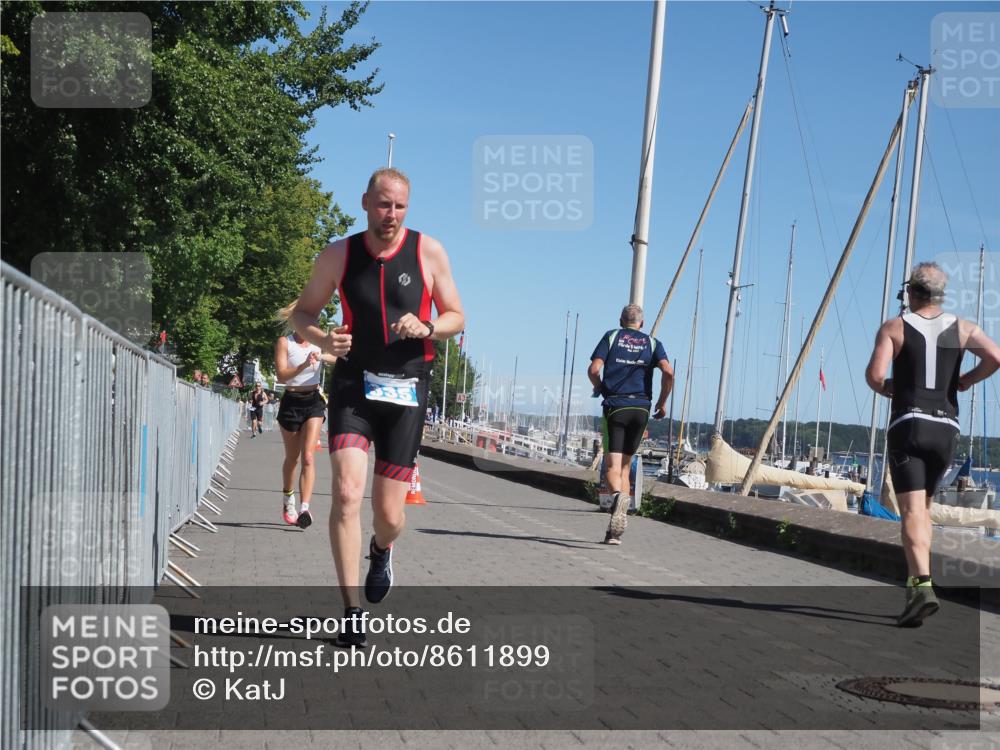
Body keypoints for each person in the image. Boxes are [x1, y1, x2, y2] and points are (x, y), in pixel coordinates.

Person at [291, 167, 464, 647]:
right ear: (365, 202)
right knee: (347, 493)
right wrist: (324, 339)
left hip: (407, 389)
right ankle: (351, 612)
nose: (391, 214)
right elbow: (302, 313)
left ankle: (381, 548)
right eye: (384, 204)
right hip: (354, 385)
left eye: (400, 206)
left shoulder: (428, 251)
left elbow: (456, 315)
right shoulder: (339, 255)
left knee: (389, 514)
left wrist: (428, 328)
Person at [865, 262, 1000, 627]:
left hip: (909, 425)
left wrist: (888, 388)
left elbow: (875, 375)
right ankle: (916, 588)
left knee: (910, 511)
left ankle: (922, 586)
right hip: (945, 430)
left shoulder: (894, 327)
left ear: (911, 292)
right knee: (923, 509)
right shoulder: (963, 328)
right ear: (941, 295)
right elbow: (995, 357)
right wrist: (966, 380)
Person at [588, 304, 673, 545]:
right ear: (642, 324)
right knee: (625, 467)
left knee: (612, 466)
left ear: (620, 321)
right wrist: (662, 402)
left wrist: (600, 387)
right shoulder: (653, 343)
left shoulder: (611, 336)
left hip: (616, 406)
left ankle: (617, 497)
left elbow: (594, 369)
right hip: (641, 409)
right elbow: (669, 372)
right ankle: (614, 532)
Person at [274, 302, 338, 528]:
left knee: (309, 456)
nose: (311, 324)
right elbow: (281, 375)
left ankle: (305, 509)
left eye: (314, 321)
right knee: (292, 458)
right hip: (291, 402)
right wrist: (302, 365)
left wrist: (321, 357)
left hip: (313, 401)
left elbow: (338, 357)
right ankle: (288, 499)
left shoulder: (319, 342)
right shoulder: (285, 343)